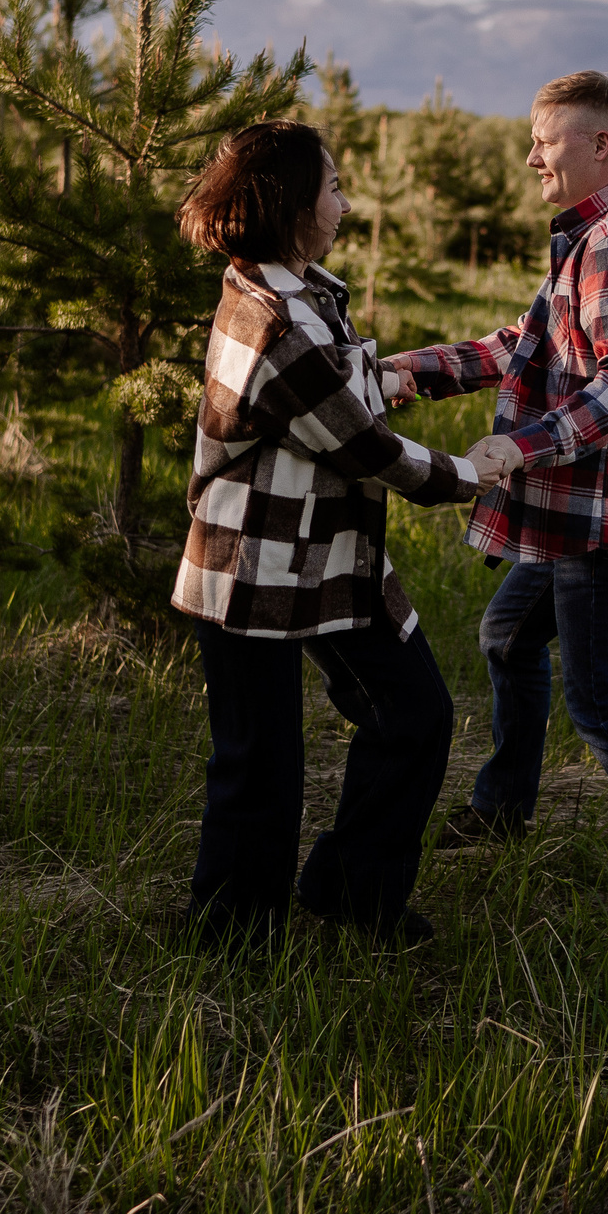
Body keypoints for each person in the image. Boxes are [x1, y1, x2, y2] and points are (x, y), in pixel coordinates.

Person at [384, 71, 608, 972]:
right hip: (573, 510)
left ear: (599, 146)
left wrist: (523, 447)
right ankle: (506, 806)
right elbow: (522, 345)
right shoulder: (586, 240)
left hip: (602, 514)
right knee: (509, 634)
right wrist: (409, 369)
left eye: (544, 141)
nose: (529, 156)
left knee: (605, 701)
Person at [171, 119, 510, 949]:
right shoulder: (271, 322)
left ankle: (355, 889)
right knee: (259, 765)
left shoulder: (303, 289)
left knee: (416, 713)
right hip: (251, 563)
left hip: (332, 557)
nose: (346, 202)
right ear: (292, 205)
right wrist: (474, 472)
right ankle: (230, 941)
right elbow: (363, 445)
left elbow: (357, 385)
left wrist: (467, 360)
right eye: (332, 186)